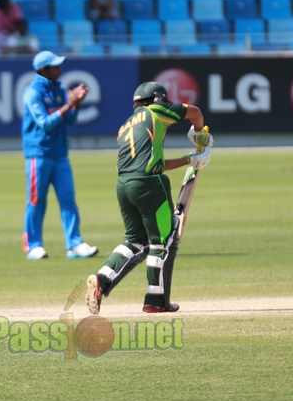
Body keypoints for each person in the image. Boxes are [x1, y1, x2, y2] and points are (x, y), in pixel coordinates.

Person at [84, 81, 211, 315]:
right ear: (157, 99)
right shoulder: (156, 110)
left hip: (124, 185)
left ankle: (101, 280)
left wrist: (190, 159)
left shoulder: (125, 127)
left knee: (135, 242)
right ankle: (156, 300)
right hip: (148, 184)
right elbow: (195, 112)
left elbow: (155, 164)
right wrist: (199, 133)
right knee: (163, 241)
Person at [22, 51, 98, 261]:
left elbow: (70, 121)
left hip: (60, 154)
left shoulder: (59, 90)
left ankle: (74, 244)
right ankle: (33, 245)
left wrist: (76, 102)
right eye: (54, 67)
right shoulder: (32, 93)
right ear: (43, 70)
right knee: (37, 201)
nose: (59, 69)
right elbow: (45, 124)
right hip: (39, 154)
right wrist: (69, 102)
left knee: (68, 198)